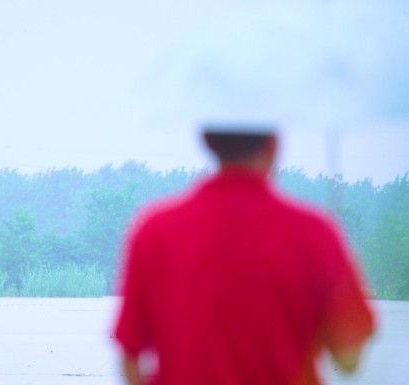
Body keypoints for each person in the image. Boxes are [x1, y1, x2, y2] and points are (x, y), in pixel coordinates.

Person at [112, 125, 375, 385]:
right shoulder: (314, 233)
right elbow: (348, 361)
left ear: (206, 140)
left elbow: (130, 359)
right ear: (273, 144)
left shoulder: (154, 230)